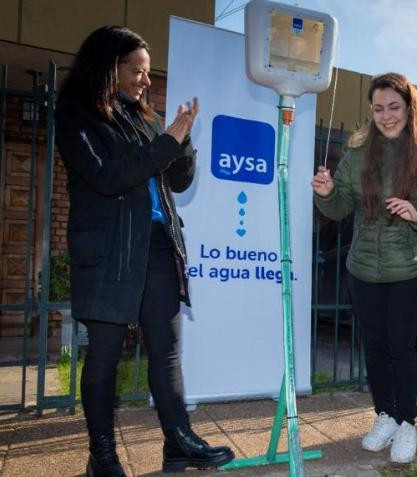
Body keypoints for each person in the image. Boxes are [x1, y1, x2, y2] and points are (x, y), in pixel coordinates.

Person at [55, 26, 234, 476]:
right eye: (136, 70)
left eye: (148, 72)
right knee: (105, 353)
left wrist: (183, 140)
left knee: (166, 348)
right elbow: (109, 177)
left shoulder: (143, 116)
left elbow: (177, 181)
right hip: (109, 251)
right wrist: (165, 144)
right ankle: (102, 455)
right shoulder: (77, 114)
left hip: (157, 244)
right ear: (107, 67)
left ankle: (178, 443)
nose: (144, 80)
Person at [311, 72, 417, 464]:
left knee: (401, 347)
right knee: (374, 348)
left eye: (394, 107)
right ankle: (386, 416)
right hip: (363, 269)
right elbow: (340, 206)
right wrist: (327, 193)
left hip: (411, 268)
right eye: (378, 108)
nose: (386, 116)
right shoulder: (358, 151)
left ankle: (408, 423)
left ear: (410, 107)